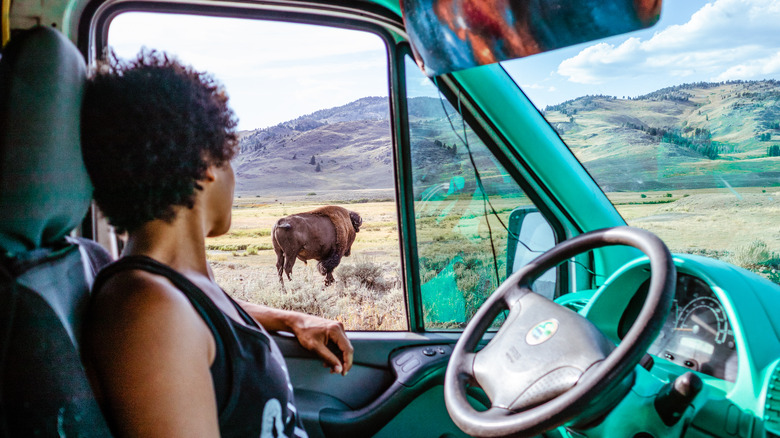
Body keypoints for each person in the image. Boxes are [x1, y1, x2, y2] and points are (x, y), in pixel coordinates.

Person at [81, 50, 353, 437]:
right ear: (208, 163)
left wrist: (292, 318)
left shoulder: (177, 284)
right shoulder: (149, 312)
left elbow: (204, 308)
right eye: (230, 158)